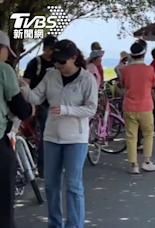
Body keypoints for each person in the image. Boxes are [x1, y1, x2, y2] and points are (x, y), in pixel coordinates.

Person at [20, 39, 98, 228]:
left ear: (74, 58)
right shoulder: (51, 75)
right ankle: (55, 224)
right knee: (51, 185)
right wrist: (22, 86)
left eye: (62, 61)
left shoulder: (87, 79)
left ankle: (75, 224)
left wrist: (67, 110)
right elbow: (36, 97)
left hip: (75, 139)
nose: (58, 65)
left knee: (73, 185)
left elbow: (91, 109)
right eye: (55, 61)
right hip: (51, 137)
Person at [0, 29, 35, 228]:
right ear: (2, 49)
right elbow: (20, 109)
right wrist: (31, 108)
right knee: (4, 201)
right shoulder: (3, 70)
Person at [23, 35, 58, 179]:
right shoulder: (35, 63)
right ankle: (42, 168)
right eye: (51, 49)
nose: (53, 52)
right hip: (40, 105)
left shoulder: (58, 63)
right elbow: (26, 82)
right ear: (45, 48)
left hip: (54, 104)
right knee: (44, 136)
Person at [121, 41, 155, 174]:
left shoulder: (125, 70)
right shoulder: (149, 69)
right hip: (146, 106)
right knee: (148, 134)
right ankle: (147, 161)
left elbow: (124, 84)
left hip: (129, 106)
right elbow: (153, 83)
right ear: (144, 54)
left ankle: (133, 165)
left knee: (131, 136)